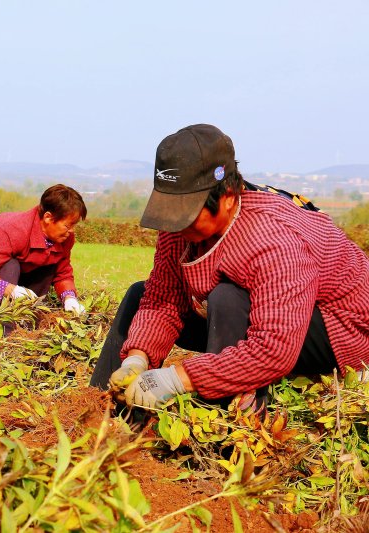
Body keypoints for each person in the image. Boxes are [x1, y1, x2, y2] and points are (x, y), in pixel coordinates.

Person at [90, 124, 369, 412]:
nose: (177, 224)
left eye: (186, 214)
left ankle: (232, 417)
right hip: (253, 318)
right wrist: (138, 358)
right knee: (140, 295)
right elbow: (164, 298)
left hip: (340, 331)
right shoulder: (179, 227)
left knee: (227, 296)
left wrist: (177, 379)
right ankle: (103, 410)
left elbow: (274, 348)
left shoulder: (274, 238)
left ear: (228, 196)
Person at [0, 184, 87, 317]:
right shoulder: (13, 230)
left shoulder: (65, 238)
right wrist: (10, 290)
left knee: (49, 266)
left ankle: (28, 316)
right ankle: (4, 326)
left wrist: (69, 298)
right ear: (48, 217)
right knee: (10, 265)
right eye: (68, 226)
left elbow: (62, 272)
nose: (71, 231)